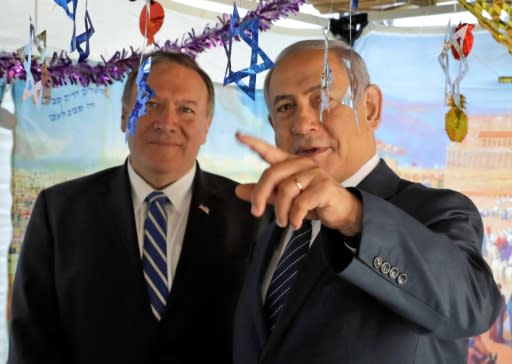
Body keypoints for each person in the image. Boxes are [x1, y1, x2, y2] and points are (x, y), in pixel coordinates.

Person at [232, 39, 504, 364]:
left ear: (370, 107)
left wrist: (352, 215)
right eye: (286, 107)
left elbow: (472, 306)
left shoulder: (437, 211)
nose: (303, 124)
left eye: (323, 99)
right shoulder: (272, 221)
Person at [8, 50, 269, 364]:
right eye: (150, 104)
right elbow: (31, 340)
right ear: (123, 115)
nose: (167, 122)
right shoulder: (60, 211)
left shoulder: (249, 211)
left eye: (186, 109)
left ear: (206, 127)